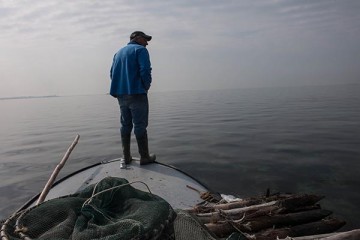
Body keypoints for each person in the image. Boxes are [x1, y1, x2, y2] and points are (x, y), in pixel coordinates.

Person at [110, 31, 156, 166]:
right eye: (146, 40)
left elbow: (112, 73)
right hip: (137, 93)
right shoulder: (140, 50)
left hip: (121, 95)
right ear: (138, 38)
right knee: (140, 125)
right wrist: (146, 86)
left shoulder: (118, 53)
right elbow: (145, 70)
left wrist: (120, 88)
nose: (147, 43)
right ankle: (144, 157)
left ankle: (127, 156)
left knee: (125, 125)